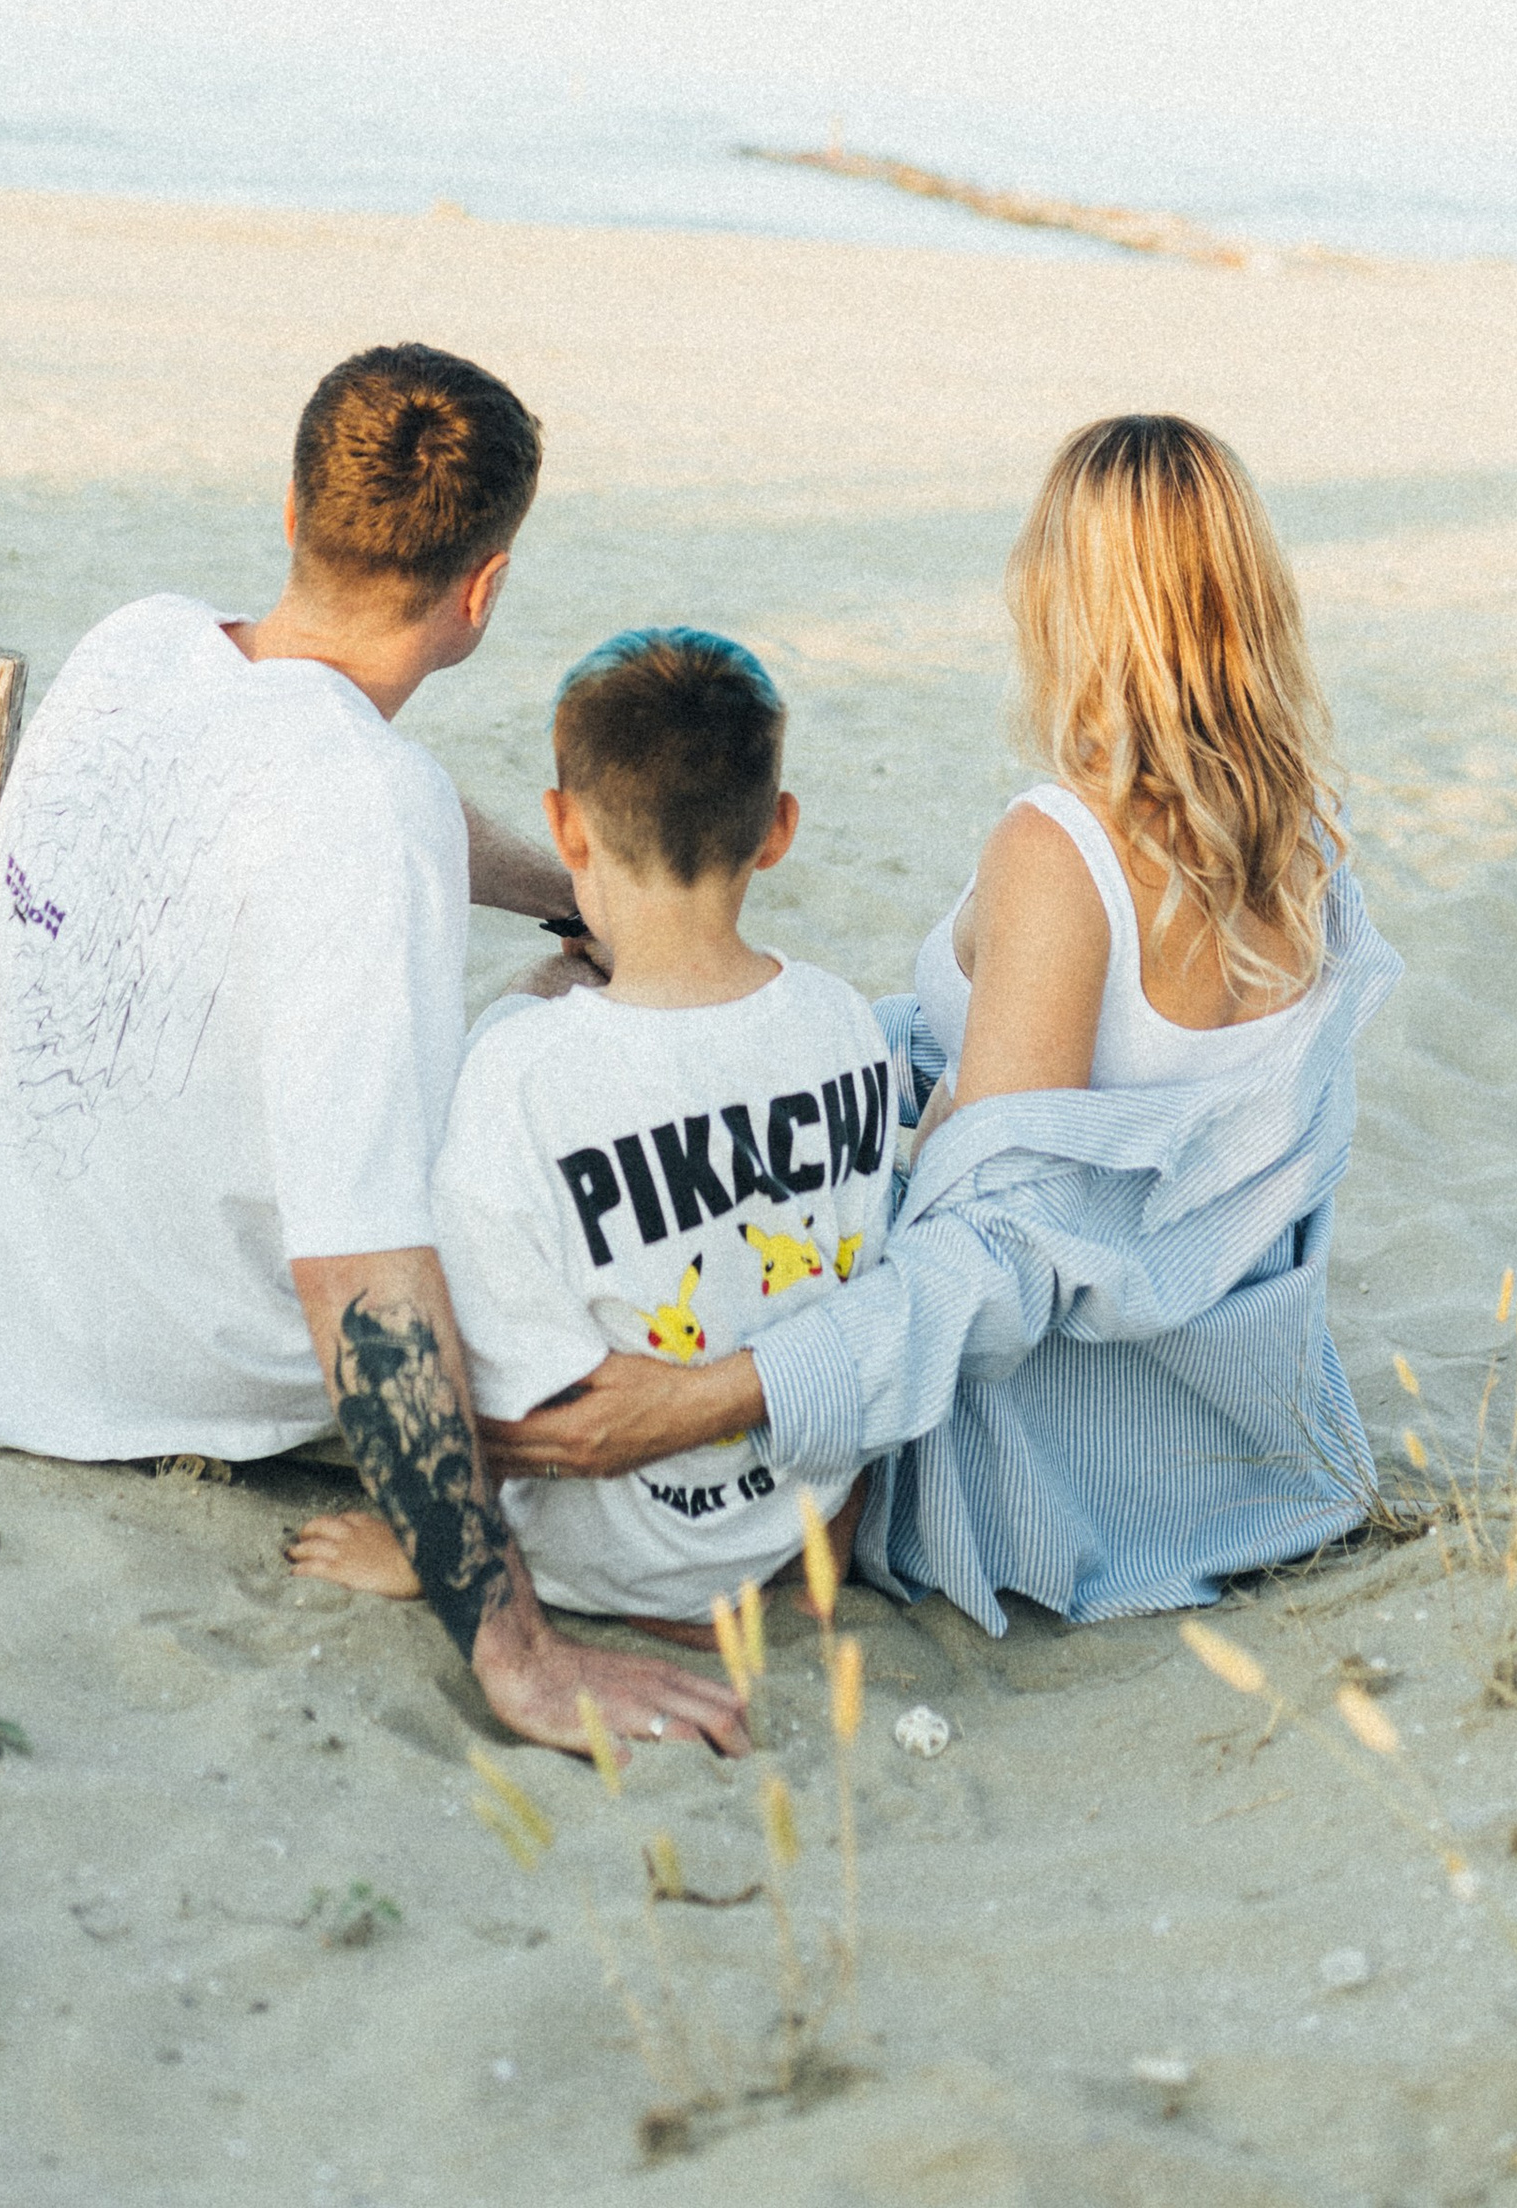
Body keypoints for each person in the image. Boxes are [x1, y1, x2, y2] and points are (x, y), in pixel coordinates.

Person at [0, 342, 744, 1758]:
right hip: (187, 1377)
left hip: (31, 1310)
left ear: (295, 512)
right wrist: (522, 1659)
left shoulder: (144, 642)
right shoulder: (367, 819)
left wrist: (578, 898)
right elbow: (362, 1277)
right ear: (482, 591)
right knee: (600, 1097)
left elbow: (376, 803)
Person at [484, 414, 1402, 1631]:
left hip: (1034, 1466)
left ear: (1059, 594)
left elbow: (998, 1264)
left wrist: (707, 1400)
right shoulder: (1310, 858)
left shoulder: (1065, 852)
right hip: (1235, 1447)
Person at [287, 627, 891, 1626]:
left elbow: (496, 1369)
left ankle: (425, 1539)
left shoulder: (520, 1064)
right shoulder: (842, 1020)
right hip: (793, 1527)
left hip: (609, 1562)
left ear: (565, 832)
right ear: (776, 829)